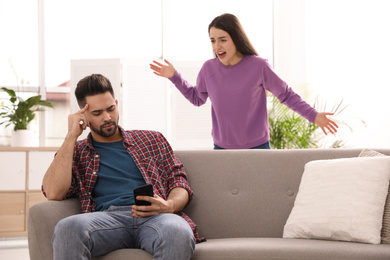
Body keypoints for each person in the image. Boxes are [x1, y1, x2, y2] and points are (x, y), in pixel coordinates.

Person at [42, 74, 203, 260]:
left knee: (178, 231)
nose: (107, 117)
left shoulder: (151, 139)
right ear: (83, 115)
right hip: (106, 220)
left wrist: (169, 205)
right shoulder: (77, 152)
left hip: (155, 217)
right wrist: (71, 136)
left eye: (111, 108)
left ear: (116, 103)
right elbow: (53, 192)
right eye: (97, 113)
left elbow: (179, 181)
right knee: (67, 228)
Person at [150, 13, 338, 150]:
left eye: (222, 40)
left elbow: (286, 95)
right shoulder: (208, 69)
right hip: (221, 149)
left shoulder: (258, 66)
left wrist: (314, 116)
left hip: (258, 148)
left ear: (236, 39)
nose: (217, 46)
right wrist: (174, 76)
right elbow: (197, 98)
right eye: (213, 41)